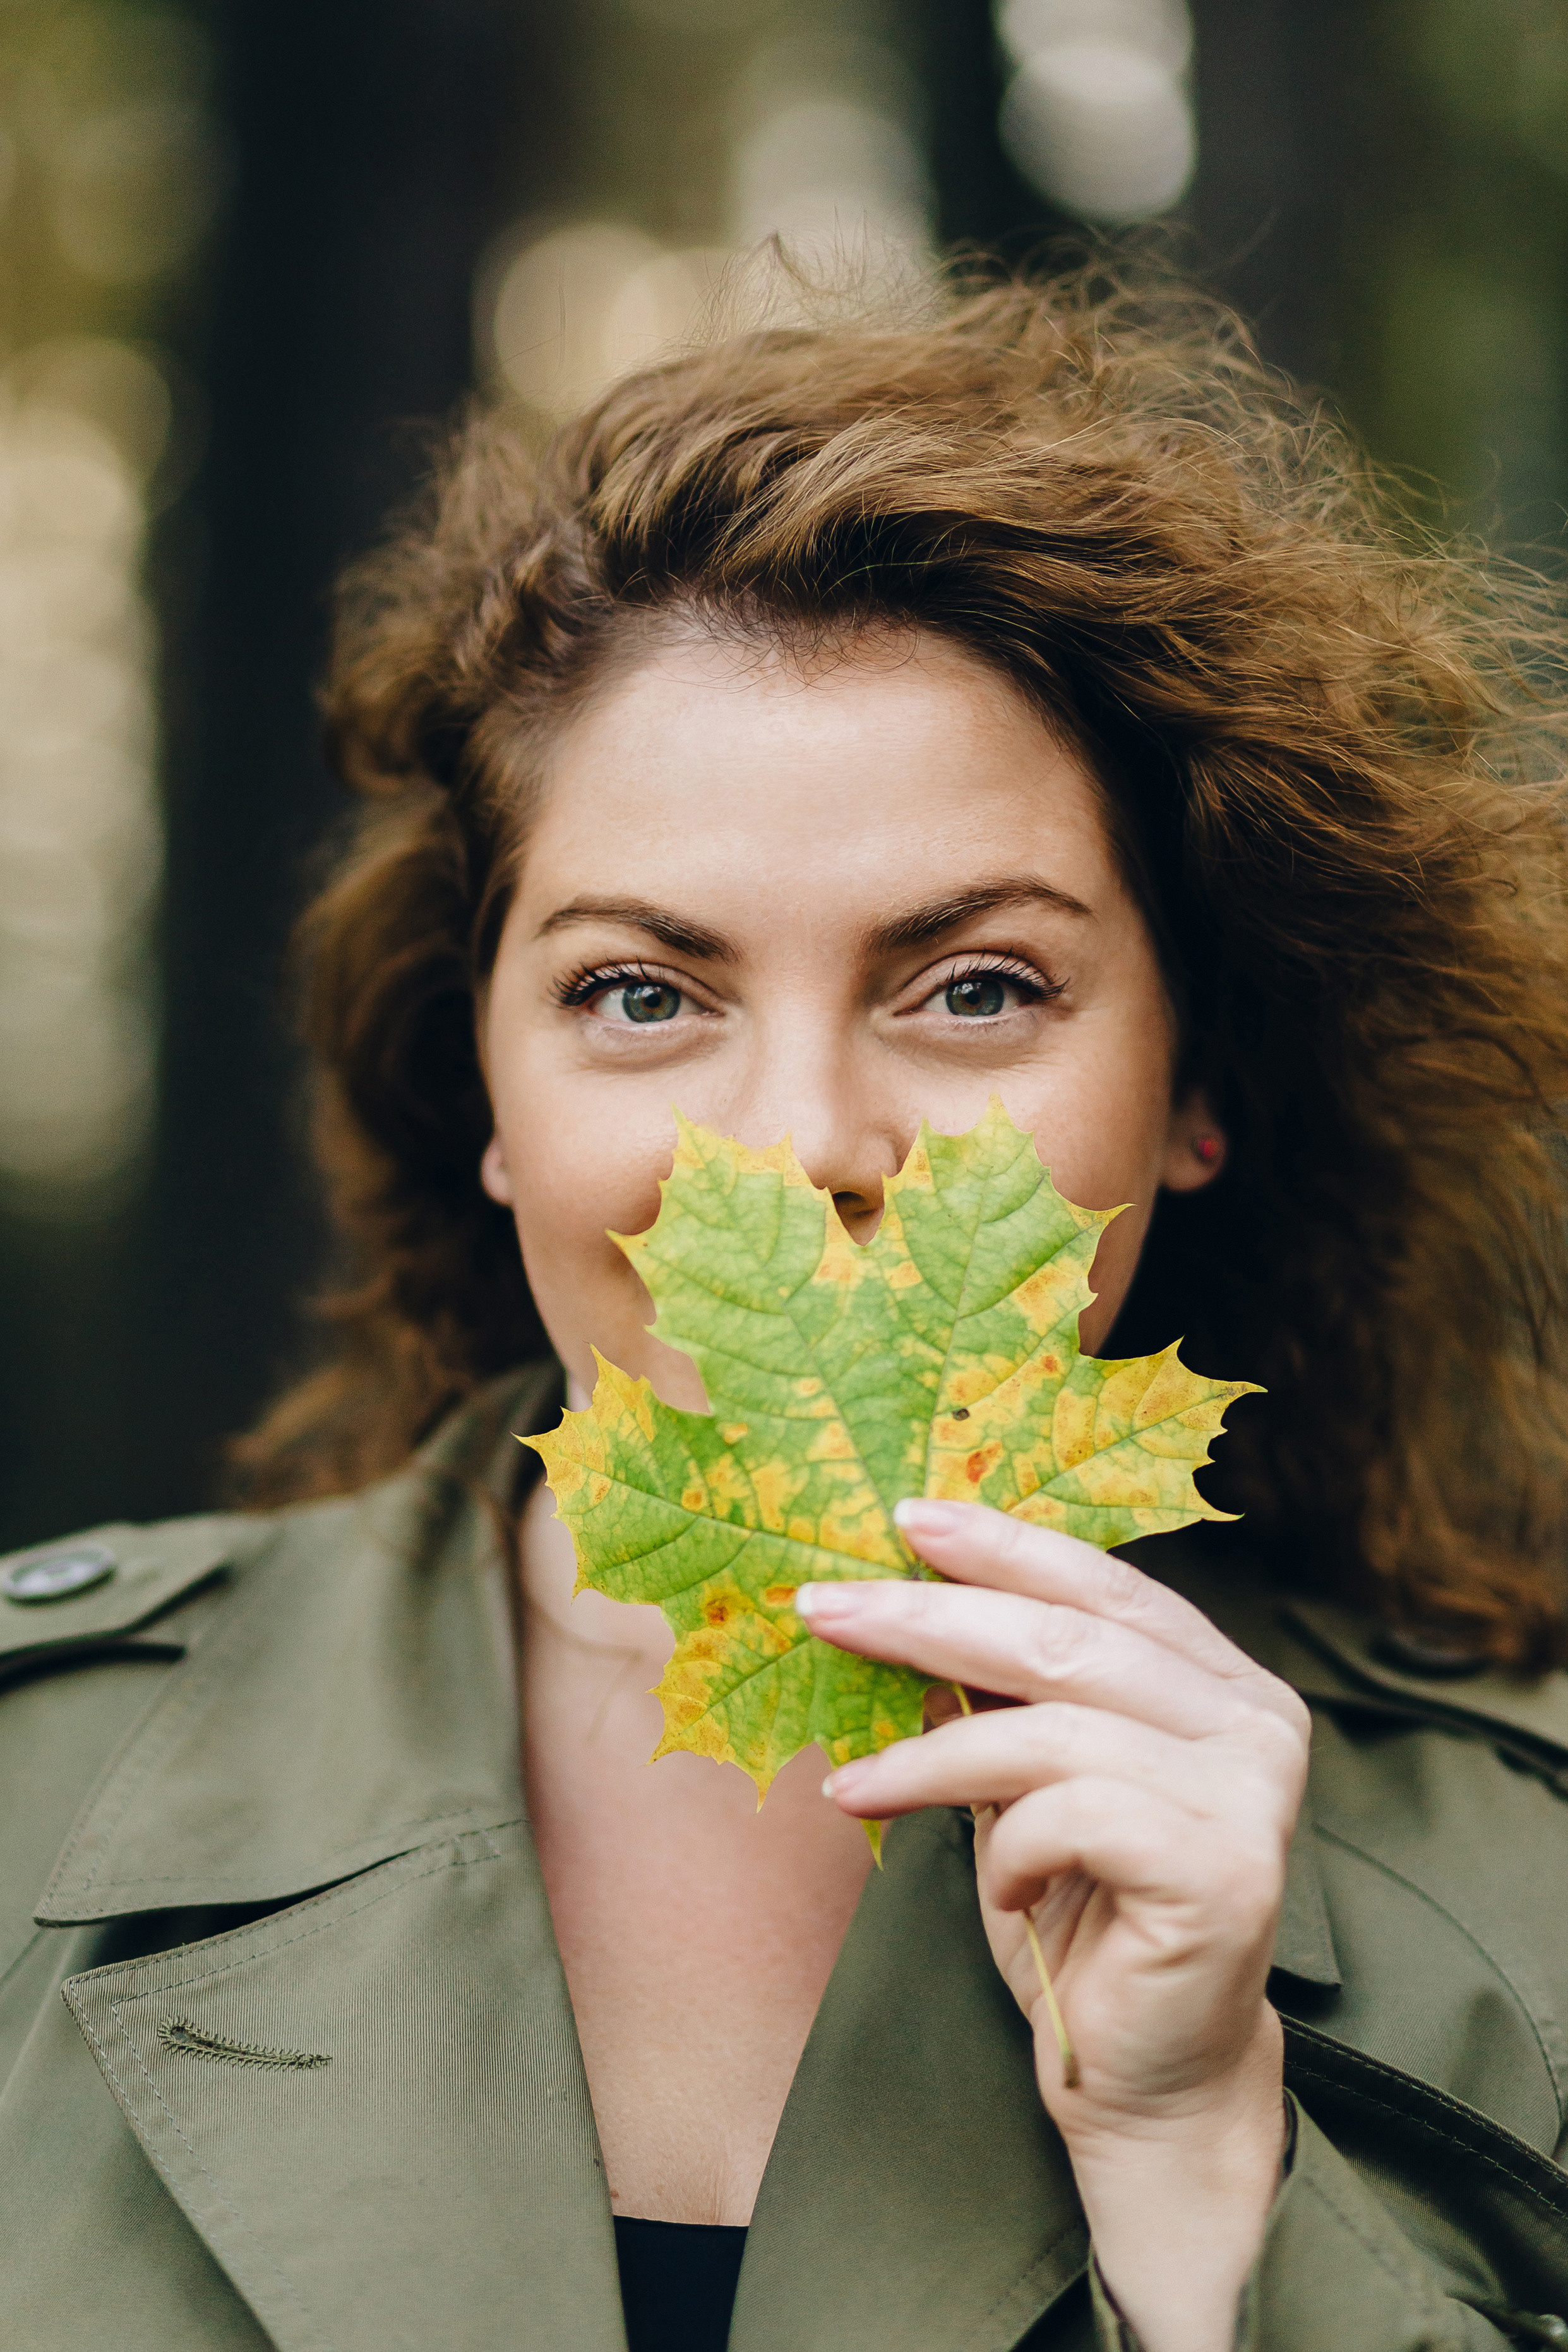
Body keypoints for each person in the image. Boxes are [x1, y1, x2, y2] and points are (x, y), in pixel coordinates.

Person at [6, 268, 1568, 2352]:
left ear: (1198, 1081)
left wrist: (1210, 2191)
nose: (800, 1140)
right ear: (485, 1087)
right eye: (640, 994)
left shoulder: (1522, 1869)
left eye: (974, 984)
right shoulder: (38, 1782)